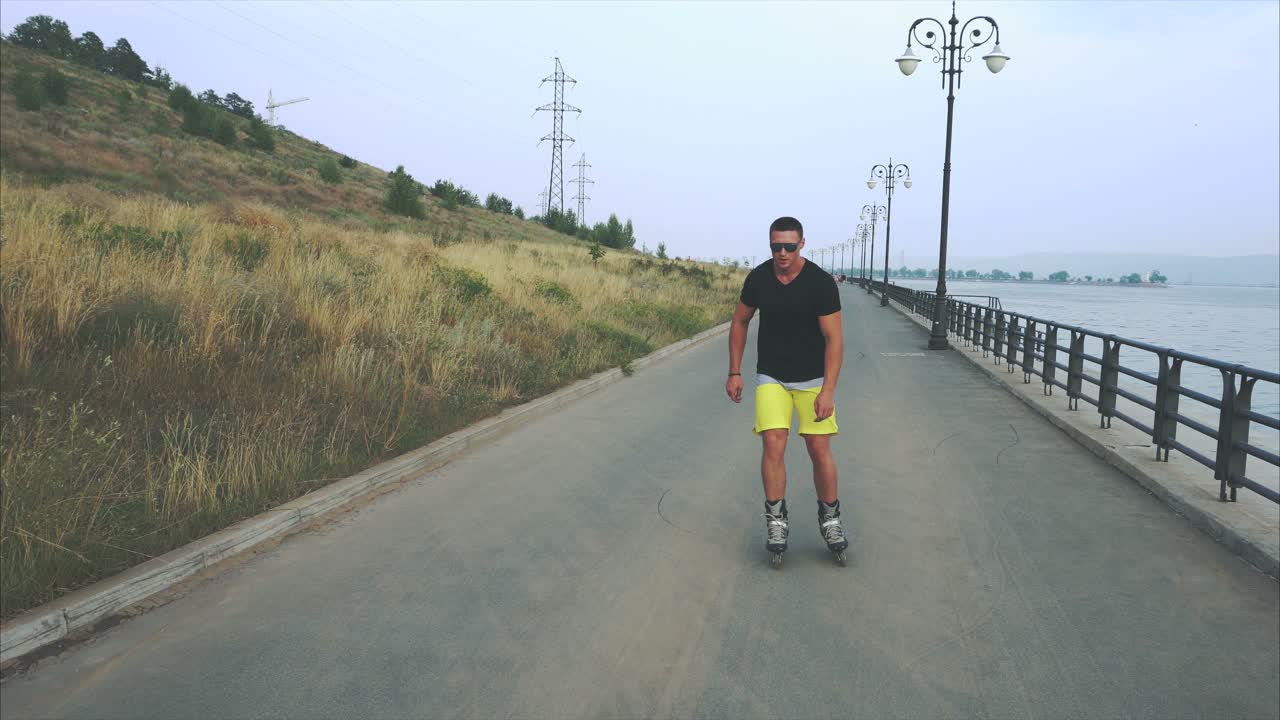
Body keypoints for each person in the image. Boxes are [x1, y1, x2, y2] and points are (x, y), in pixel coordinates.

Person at [725, 216, 848, 562]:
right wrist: (735, 371)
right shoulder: (759, 279)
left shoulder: (820, 283)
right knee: (773, 442)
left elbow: (834, 339)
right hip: (772, 377)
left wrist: (828, 390)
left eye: (789, 247)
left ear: (802, 245)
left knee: (818, 446)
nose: (781, 253)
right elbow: (740, 321)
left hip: (813, 380)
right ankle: (777, 521)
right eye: (775, 246)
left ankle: (831, 519)